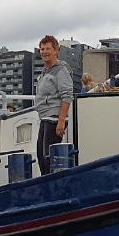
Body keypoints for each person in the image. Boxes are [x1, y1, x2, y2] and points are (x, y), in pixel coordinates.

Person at [35, 35, 74, 175]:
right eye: (42, 49)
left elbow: (67, 95)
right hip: (45, 118)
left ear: (56, 50)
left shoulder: (61, 69)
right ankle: (46, 185)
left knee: (49, 158)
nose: (44, 52)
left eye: (48, 49)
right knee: (41, 156)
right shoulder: (45, 70)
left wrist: (61, 121)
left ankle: (52, 186)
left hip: (54, 119)